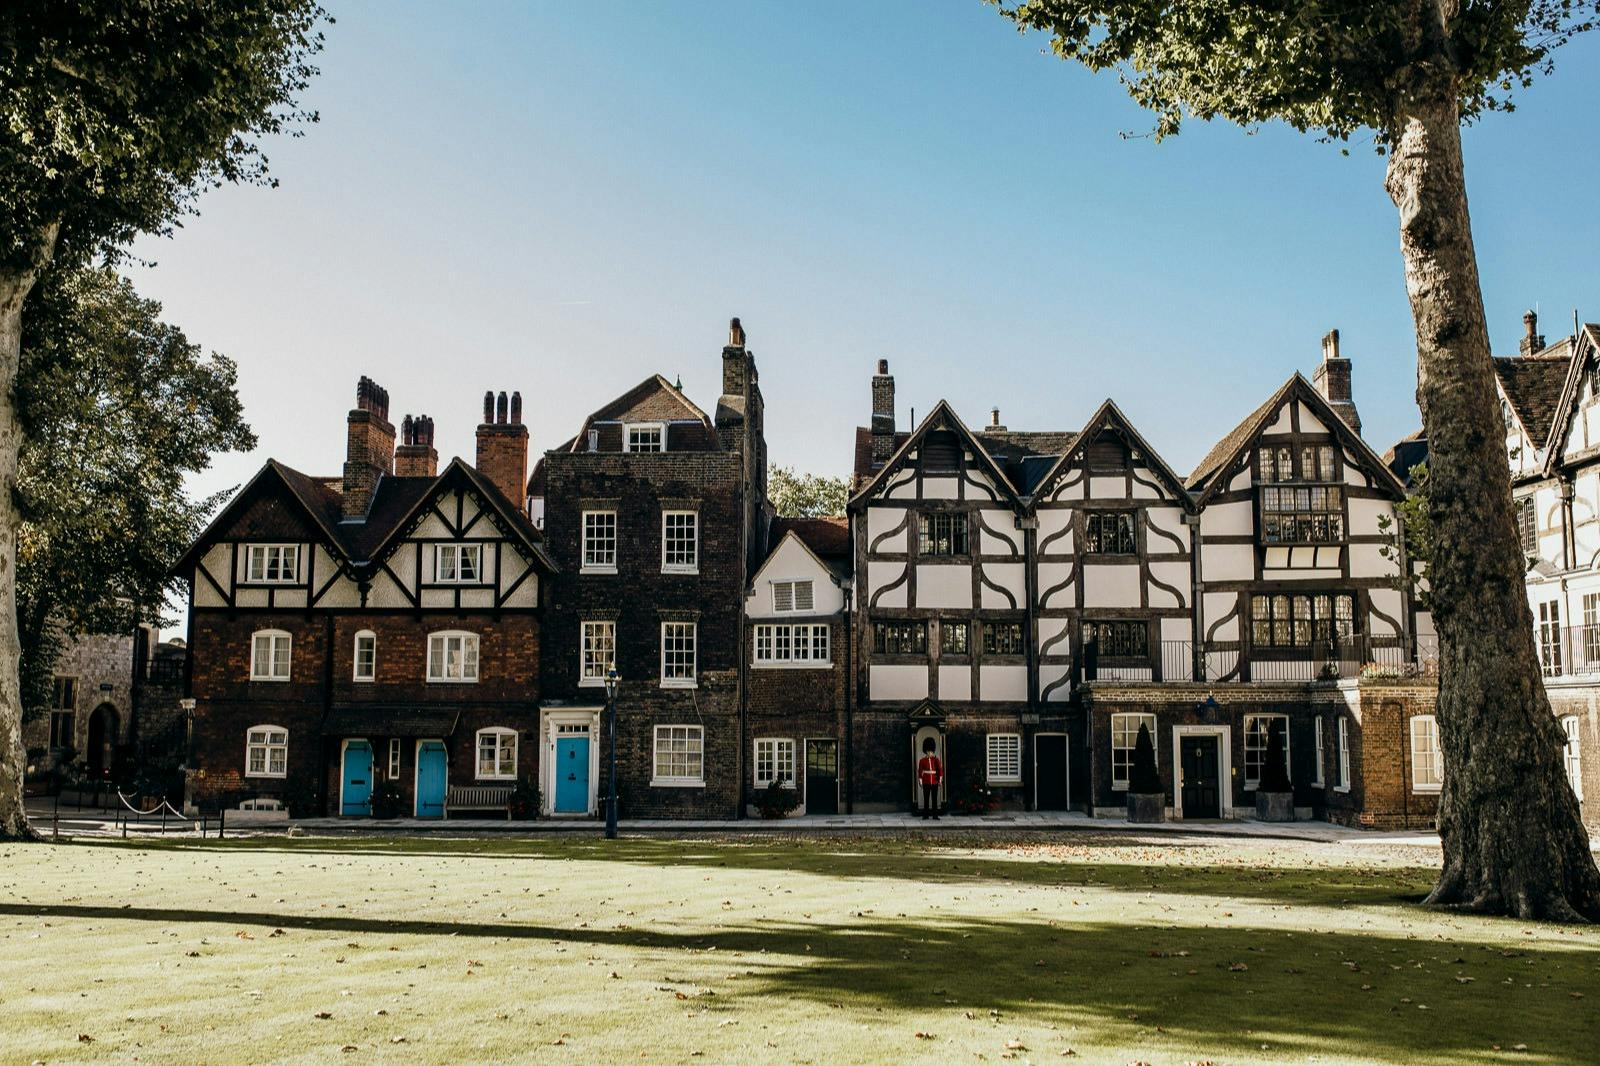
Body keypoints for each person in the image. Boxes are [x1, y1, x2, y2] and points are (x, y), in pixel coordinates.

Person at [916, 737, 944, 819]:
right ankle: (926, 815)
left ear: (933, 751)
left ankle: (935, 815)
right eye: (928, 751)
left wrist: (940, 780)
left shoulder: (936, 760)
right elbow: (920, 771)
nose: (929, 753)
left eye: (930, 751)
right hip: (926, 782)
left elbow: (940, 770)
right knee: (926, 799)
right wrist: (920, 781)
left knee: (934, 799)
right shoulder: (922, 760)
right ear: (926, 751)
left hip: (934, 781)